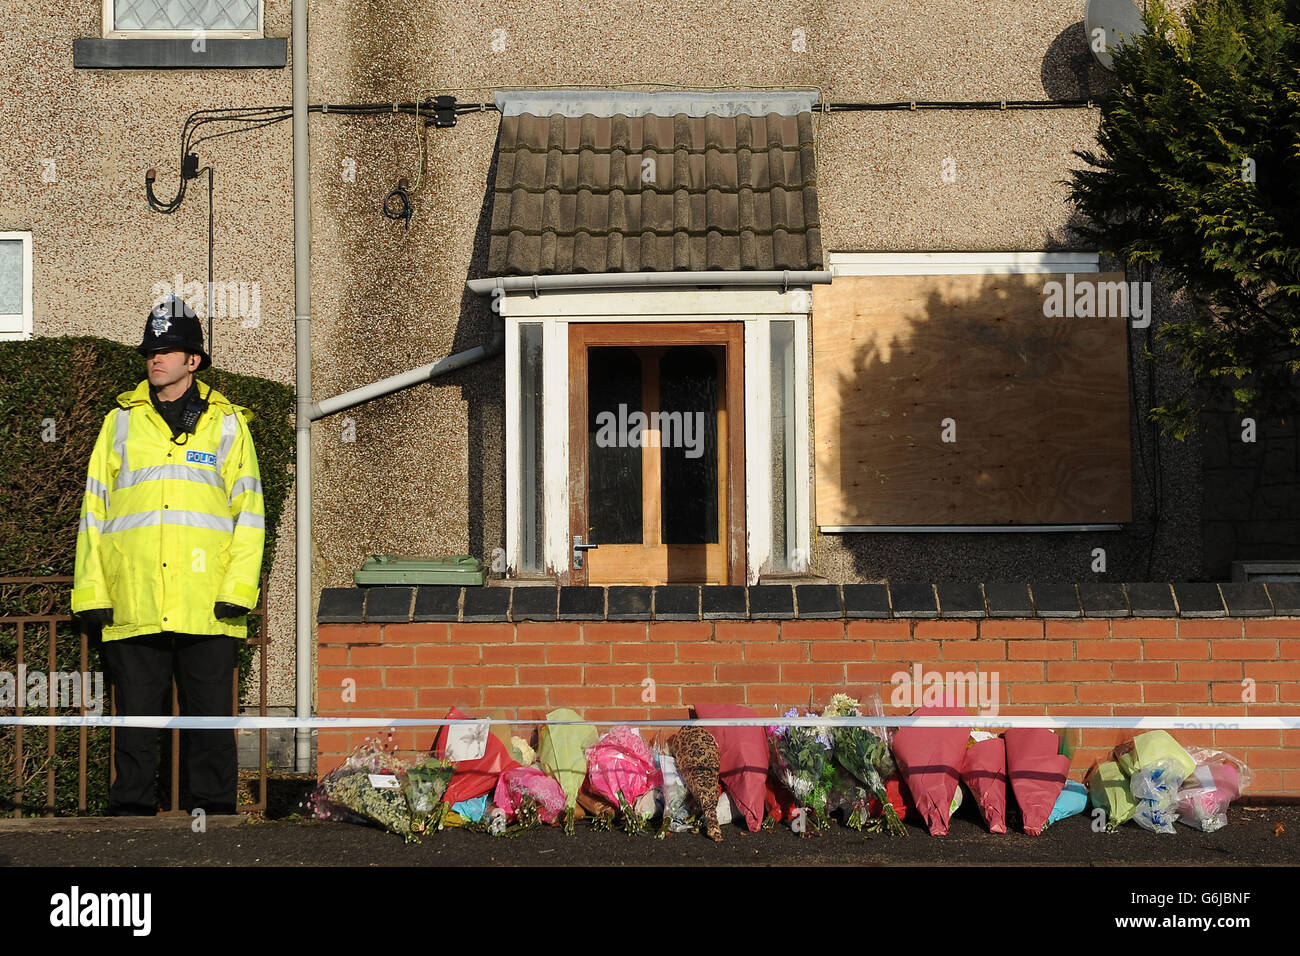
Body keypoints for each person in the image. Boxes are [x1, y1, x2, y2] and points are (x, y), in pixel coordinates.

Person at [71, 294, 265, 815]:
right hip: (134, 599)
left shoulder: (227, 424)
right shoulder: (121, 423)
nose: (155, 358)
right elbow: (95, 511)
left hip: (207, 604)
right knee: (135, 723)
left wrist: (238, 590)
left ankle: (217, 818)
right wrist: (91, 591)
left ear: (193, 360)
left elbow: (249, 515)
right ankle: (130, 820)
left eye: (167, 349)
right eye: (151, 350)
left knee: (210, 726)